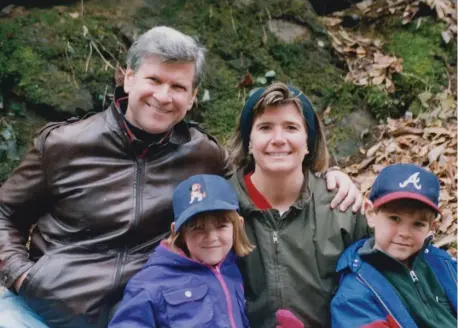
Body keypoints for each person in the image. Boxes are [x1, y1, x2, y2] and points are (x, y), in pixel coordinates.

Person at [0, 26, 360, 328]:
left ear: (191, 98)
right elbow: (5, 213)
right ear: (127, 77)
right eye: (153, 79)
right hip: (40, 311)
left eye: (178, 87)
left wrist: (326, 175)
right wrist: (22, 276)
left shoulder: (201, 154)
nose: (163, 96)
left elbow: (267, 168)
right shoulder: (64, 144)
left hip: (153, 312)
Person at [227, 82, 369, 328]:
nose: (278, 139)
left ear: (308, 142)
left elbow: (375, 286)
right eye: (265, 128)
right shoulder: (222, 205)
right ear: (249, 140)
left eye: (291, 127)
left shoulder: (341, 206)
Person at [108, 174, 254, 327]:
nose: (211, 237)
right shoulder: (151, 281)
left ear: (238, 225)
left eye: (221, 226)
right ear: (178, 231)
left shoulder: (233, 270)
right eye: (197, 228)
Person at [331, 164, 457, 328]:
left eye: (418, 224)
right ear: (370, 214)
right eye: (395, 219)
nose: (405, 233)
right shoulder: (354, 294)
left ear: (431, 227)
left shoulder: (444, 264)